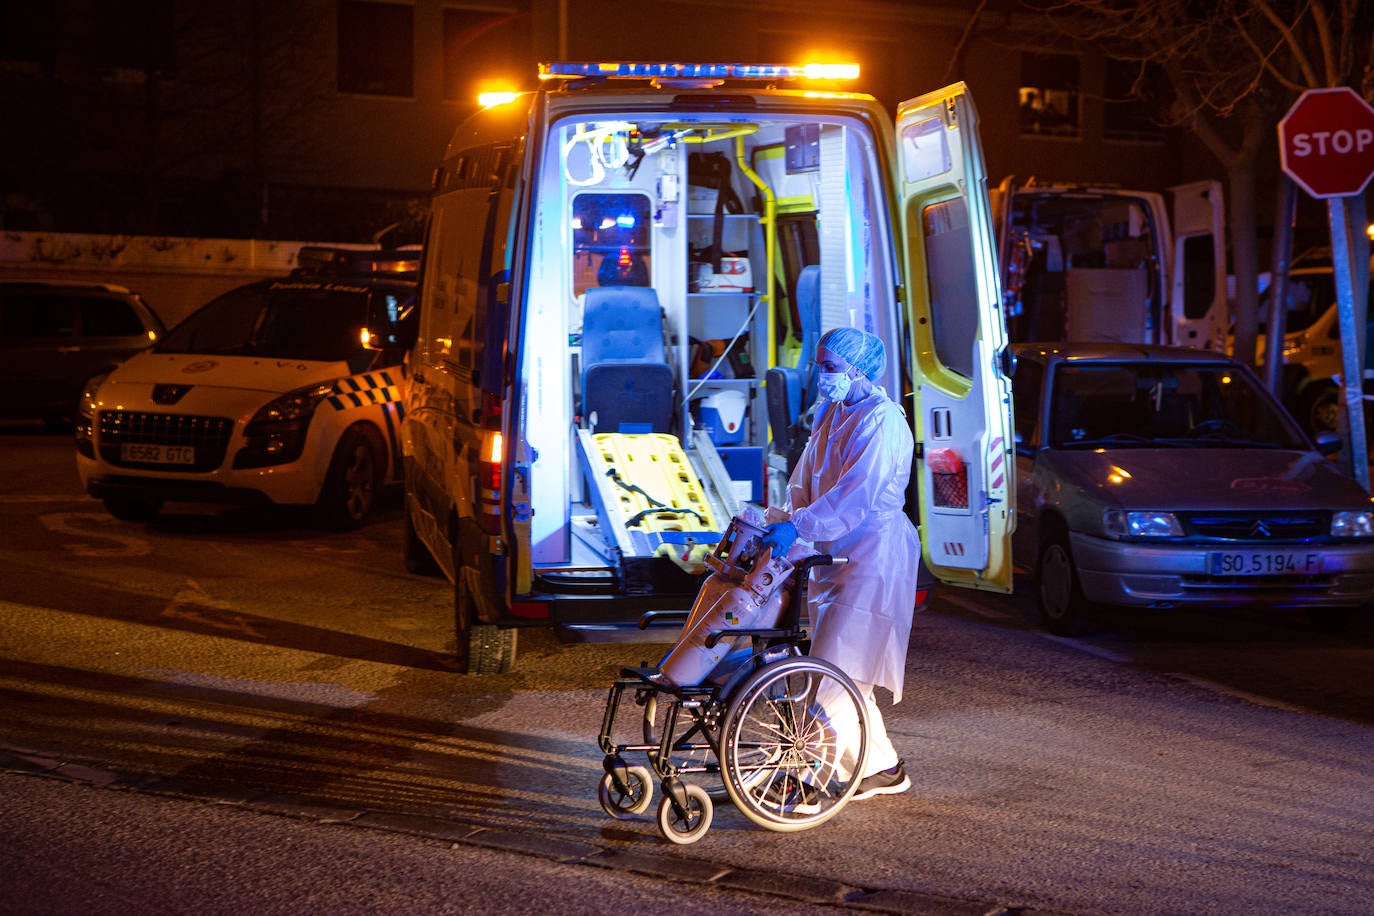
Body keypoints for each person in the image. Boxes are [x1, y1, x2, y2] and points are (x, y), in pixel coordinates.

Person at [758, 326, 920, 800]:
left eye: (829, 366)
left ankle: (806, 777)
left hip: (873, 556)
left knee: (834, 670)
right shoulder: (833, 412)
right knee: (849, 670)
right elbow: (807, 474)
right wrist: (791, 520)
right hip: (836, 554)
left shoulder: (883, 420)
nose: (821, 375)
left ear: (857, 368)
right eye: (820, 365)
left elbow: (858, 493)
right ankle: (881, 768)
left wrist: (802, 526)